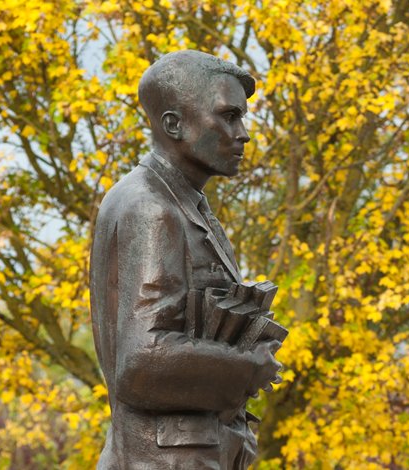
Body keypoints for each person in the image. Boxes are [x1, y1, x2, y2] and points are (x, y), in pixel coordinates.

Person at [89, 50, 281, 469]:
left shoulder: (185, 203)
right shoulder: (152, 208)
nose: (243, 133)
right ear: (174, 124)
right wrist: (246, 369)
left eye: (242, 117)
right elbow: (141, 363)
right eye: (228, 116)